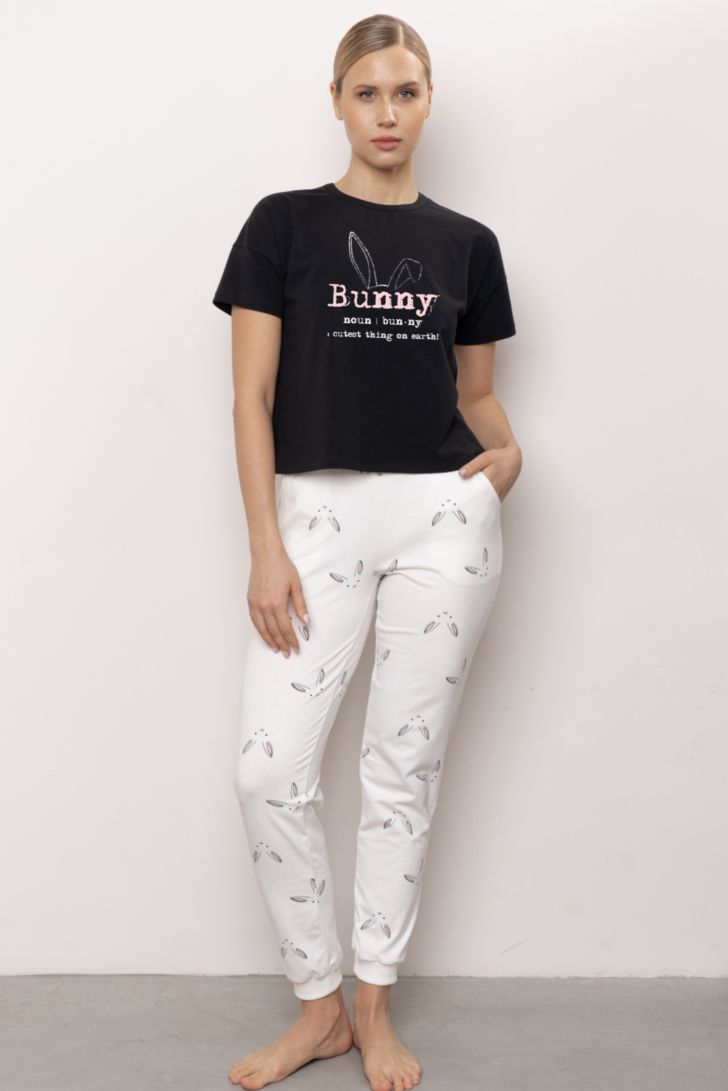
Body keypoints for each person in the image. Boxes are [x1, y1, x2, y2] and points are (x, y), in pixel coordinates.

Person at [212, 14, 522, 1091]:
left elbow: (476, 395)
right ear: (337, 100)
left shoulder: (466, 244)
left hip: (444, 520)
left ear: (427, 101)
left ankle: (373, 1010)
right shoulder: (284, 225)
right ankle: (319, 1008)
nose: (387, 113)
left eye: (406, 92)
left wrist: (509, 454)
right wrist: (265, 547)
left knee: (401, 771)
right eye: (368, 93)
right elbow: (250, 398)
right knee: (267, 771)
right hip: (316, 519)